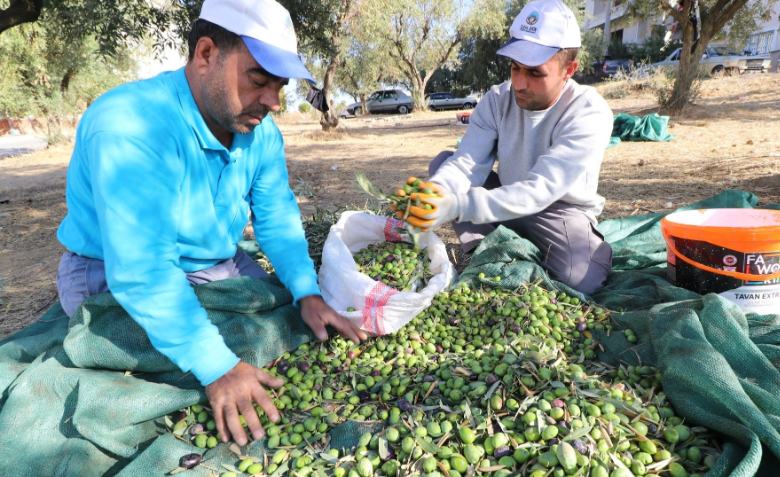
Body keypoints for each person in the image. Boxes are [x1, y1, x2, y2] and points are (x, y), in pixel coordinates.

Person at [54, 0, 367, 448]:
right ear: (205, 54)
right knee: (203, 360)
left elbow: (276, 215)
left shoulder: (260, 132)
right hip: (109, 269)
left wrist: (307, 292)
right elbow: (143, 270)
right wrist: (218, 367)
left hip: (214, 259)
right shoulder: (131, 126)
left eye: (279, 86)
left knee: (278, 316)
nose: (272, 102)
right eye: (258, 80)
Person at [408, 0, 614, 294]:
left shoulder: (588, 112)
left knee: (580, 279)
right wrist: (435, 195)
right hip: (505, 198)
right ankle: (491, 252)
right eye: (515, 68)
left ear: (569, 69)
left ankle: (594, 251)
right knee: (443, 165)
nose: (519, 83)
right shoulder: (496, 100)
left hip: (556, 212)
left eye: (535, 73)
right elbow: (468, 161)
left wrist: (459, 205)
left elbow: (541, 190)